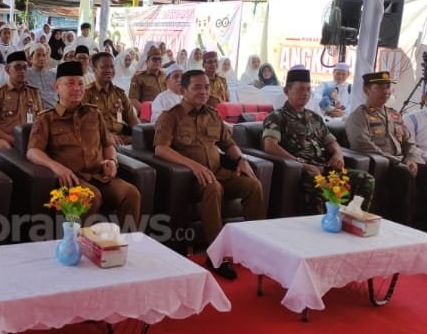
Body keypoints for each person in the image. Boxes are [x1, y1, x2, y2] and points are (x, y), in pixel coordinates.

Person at [154, 69, 263, 280]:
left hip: (218, 172)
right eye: (197, 87)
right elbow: (161, 148)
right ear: (184, 90)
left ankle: (254, 246)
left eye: (206, 87)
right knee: (214, 187)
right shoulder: (171, 116)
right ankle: (215, 256)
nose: (203, 91)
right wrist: (193, 166)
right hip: (190, 181)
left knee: (252, 184)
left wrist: (241, 160)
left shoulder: (213, 115)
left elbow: (228, 143)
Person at [27, 61, 141, 229]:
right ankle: (82, 247)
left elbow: (107, 144)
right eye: (70, 83)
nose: (77, 88)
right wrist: (55, 167)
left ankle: (121, 243)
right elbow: (32, 151)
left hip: (98, 175)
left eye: (80, 83)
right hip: (71, 180)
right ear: (56, 87)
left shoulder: (94, 113)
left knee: (131, 193)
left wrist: (112, 161)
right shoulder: (46, 118)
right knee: (91, 196)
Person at [346, 72, 427, 233]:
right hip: (386, 165)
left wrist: (412, 159)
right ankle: (404, 228)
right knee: (404, 174)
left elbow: (409, 142)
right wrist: (399, 162)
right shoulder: (359, 116)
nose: (385, 91)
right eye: (379, 87)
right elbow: (363, 145)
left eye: (387, 87)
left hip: (406, 162)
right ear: (366, 90)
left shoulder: (394, 114)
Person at [262, 69, 374, 214]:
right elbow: (270, 146)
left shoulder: (314, 117)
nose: (306, 93)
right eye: (300, 89)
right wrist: (300, 164)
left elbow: (330, 141)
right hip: (301, 171)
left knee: (365, 179)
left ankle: (352, 220)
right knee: (319, 183)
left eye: (308, 89)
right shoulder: (277, 117)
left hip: (325, 168)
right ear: (287, 91)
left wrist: (338, 154)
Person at [0, 51, 42, 150]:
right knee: (4, 147)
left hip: (29, 139)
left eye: (25, 68)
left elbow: (41, 120)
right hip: (6, 139)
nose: (22, 71)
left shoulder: (34, 93)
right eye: (18, 67)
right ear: (7, 70)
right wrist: (11, 139)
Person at [82, 52, 138, 146]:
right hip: (98, 140)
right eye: (104, 67)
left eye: (112, 67)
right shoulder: (86, 94)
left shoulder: (119, 93)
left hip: (122, 139)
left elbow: (132, 120)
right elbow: (84, 126)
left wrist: (143, 132)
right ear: (94, 70)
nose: (109, 70)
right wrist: (107, 135)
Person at [128, 45, 166, 113]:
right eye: (154, 59)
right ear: (147, 61)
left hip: (165, 113)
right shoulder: (139, 77)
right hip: (148, 115)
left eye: (159, 59)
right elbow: (133, 99)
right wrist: (147, 112)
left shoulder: (164, 76)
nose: (157, 62)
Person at [26, 43, 58, 108]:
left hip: (56, 110)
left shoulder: (53, 75)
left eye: (44, 55)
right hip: (37, 112)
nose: (42, 58)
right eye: (38, 55)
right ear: (30, 58)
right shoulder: (25, 75)